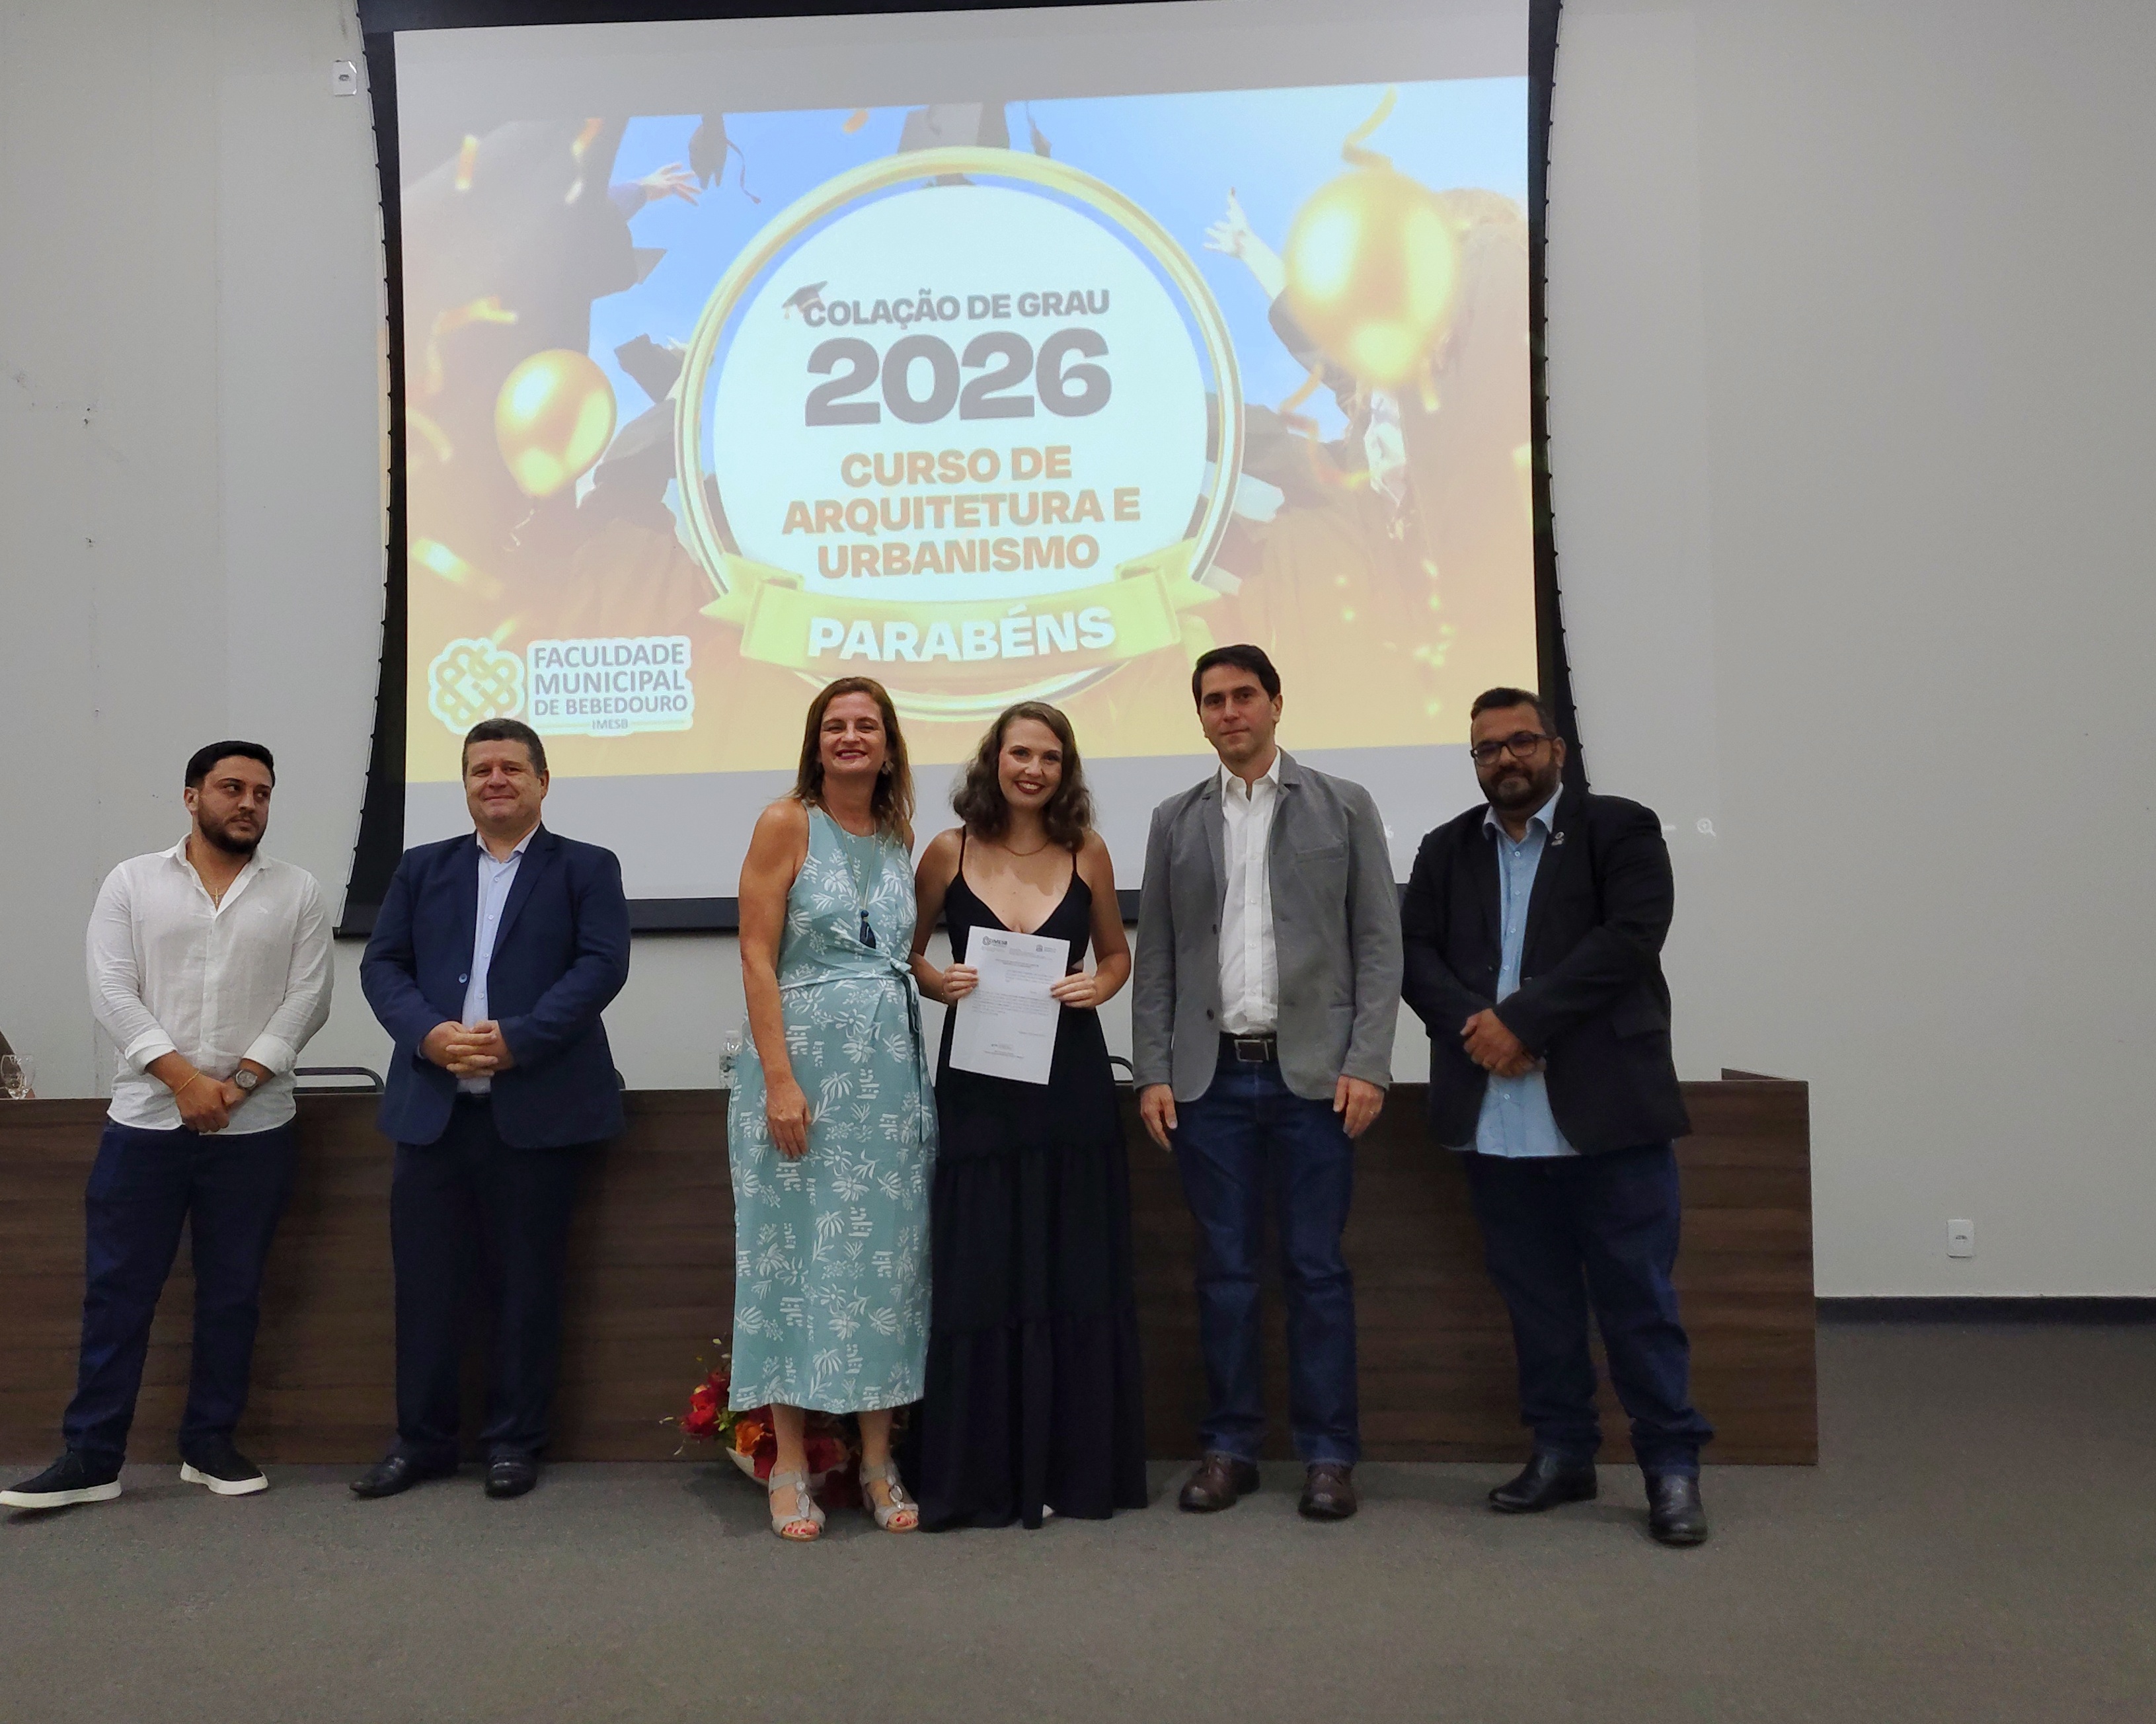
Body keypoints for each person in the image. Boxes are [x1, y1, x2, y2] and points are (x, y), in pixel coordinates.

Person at [1398, 687, 1713, 1547]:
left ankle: (1670, 1468)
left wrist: (1522, 1023)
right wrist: (1478, 1028)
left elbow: (1630, 938)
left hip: (1608, 1116)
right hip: (1495, 1122)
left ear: (1556, 749)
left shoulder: (1619, 829)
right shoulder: (1446, 847)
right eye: (1486, 749)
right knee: (1536, 1305)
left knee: (1637, 1301)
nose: (1505, 759)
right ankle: (1563, 1453)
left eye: (1520, 742)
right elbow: (1413, 953)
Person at [2, 742, 331, 1511]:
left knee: (232, 1292)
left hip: (255, 1126)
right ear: (191, 797)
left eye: (261, 792)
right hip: (145, 1123)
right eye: (231, 787)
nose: (248, 802)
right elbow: (113, 992)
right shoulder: (132, 881)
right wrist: (185, 1082)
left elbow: (309, 998)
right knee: (117, 1292)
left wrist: (237, 1085)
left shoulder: (298, 891)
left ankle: (209, 1443)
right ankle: (93, 1456)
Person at [1132, 645, 1401, 1520]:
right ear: (1199, 715)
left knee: (1316, 1270)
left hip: (1316, 1081)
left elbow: (1377, 944)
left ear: (1276, 703)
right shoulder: (1174, 820)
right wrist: (1152, 1070)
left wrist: (1368, 1061)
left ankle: (1328, 1455)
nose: (1229, 712)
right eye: (1212, 700)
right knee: (1225, 1273)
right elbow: (1158, 954)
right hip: (1210, 1083)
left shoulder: (1343, 805)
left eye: (1243, 695)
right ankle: (1230, 1448)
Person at [350, 717, 630, 1502]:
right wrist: (428, 1034)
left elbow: (601, 965)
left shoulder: (586, 867)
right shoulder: (421, 867)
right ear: (466, 784)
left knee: (527, 1286)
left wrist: (520, 1040)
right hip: (432, 1113)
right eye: (481, 769)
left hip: (537, 1112)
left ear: (543, 781)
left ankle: (514, 1441)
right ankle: (422, 1442)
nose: (495, 780)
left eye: (511, 767)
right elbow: (382, 965)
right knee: (425, 1289)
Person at [905, 701, 1147, 1529]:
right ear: (994, 759)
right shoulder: (947, 851)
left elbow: (1116, 954)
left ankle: (1068, 1468)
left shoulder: (1088, 851)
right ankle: (982, 1473)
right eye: (1019, 753)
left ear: (1065, 768)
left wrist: (1098, 985)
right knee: (980, 1265)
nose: (1033, 769)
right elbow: (906, 952)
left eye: (1049, 756)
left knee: (1067, 1263)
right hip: (977, 1086)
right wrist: (938, 983)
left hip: (1067, 1086)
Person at [728, 676, 937, 1540]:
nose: (851, 737)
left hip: (887, 1086)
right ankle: (787, 1464)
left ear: (888, 746)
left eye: (867, 726)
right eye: (835, 726)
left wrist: (941, 979)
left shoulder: (898, 836)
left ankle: (877, 1462)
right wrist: (780, 1080)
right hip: (802, 1075)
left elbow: (891, 953)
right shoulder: (786, 822)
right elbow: (756, 952)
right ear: (816, 743)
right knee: (793, 1260)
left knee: (884, 1267)